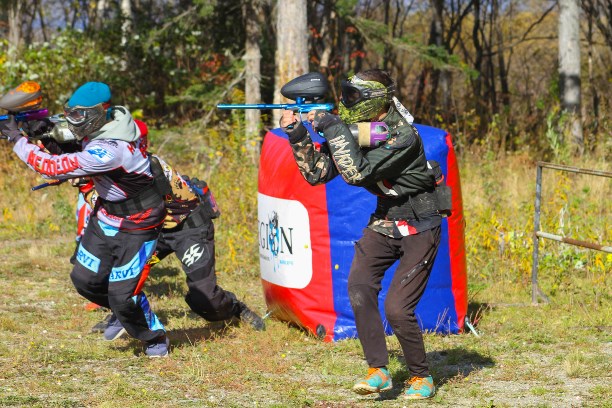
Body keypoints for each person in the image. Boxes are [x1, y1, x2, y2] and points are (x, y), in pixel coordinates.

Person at [279, 69, 443, 400]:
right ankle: (378, 371)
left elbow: (357, 173)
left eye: (353, 97)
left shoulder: (404, 136)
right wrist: (297, 133)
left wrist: (331, 125)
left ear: (374, 100)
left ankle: (421, 377)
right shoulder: (373, 131)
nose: (346, 102)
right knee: (359, 287)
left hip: (421, 224)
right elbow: (317, 173)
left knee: (398, 308)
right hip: (385, 220)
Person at [2, 82, 170, 357]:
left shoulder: (113, 149)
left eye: (79, 116)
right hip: (106, 215)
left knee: (122, 295)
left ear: (99, 112)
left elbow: (53, 167)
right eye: (71, 113)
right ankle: (122, 313)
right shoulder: (109, 121)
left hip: (139, 223)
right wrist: (41, 129)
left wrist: (17, 140)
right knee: (85, 280)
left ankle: (154, 337)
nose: (72, 120)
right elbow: (68, 136)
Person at [97, 121, 265, 340]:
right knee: (121, 271)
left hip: (188, 228)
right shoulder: (112, 167)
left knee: (205, 298)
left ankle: (235, 307)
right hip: (156, 231)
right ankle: (122, 316)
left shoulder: (149, 168)